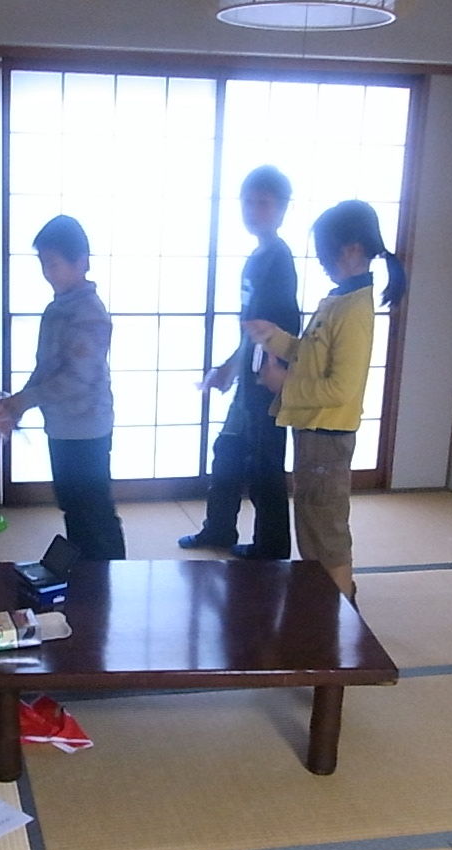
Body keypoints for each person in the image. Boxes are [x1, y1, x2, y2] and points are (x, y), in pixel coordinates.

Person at [245, 199, 407, 602]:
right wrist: (274, 338)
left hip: (328, 436)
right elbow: (309, 355)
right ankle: (325, 609)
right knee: (313, 524)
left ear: (351, 250)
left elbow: (341, 388)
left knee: (326, 531)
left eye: (323, 253)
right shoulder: (339, 300)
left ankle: (340, 615)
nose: (319, 261)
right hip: (313, 431)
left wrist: (284, 384)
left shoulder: (354, 310)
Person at [178, 165, 300, 559]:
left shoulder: (279, 259)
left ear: (282, 209)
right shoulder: (257, 258)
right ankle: (219, 529)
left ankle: (271, 545)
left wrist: (274, 372)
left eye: (263, 203)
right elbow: (250, 329)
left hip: (267, 379)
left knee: (265, 465)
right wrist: (229, 369)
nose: (253, 211)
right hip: (249, 376)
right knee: (228, 450)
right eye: (248, 202)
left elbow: (281, 325)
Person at [0, 214, 125, 560]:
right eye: (43, 264)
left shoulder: (90, 313)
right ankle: (84, 571)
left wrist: (26, 400)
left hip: (87, 427)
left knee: (94, 509)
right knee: (71, 504)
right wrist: (19, 402)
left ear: (81, 262)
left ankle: (111, 576)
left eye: (53, 264)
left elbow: (76, 378)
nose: (47, 272)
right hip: (60, 425)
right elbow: (45, 368)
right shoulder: (55, 308)